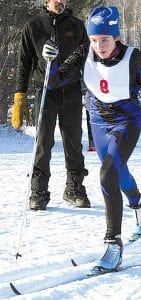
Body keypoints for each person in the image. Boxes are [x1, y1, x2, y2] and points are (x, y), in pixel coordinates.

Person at [47, 6, 141, 273]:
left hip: (125, 121)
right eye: (94, 39)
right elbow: (55, 81)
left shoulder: (133, 58)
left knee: (107, 174)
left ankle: (113, 244)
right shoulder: (84, 52)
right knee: (116, 169)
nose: (99, 46)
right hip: (97, 121)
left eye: (105, 39)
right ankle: (138, 201)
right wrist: (49, 61)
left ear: (116, 36)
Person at [11, 0, 91, 210]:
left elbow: (87, 60)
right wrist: (20, 95)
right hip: (45, 91)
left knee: (74, 141)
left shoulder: (76, 25)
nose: (61, 2)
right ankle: (39, 191)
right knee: (43, 143)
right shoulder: (34, 26)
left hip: (71, 90)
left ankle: (74, 188)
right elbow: (24, 62)